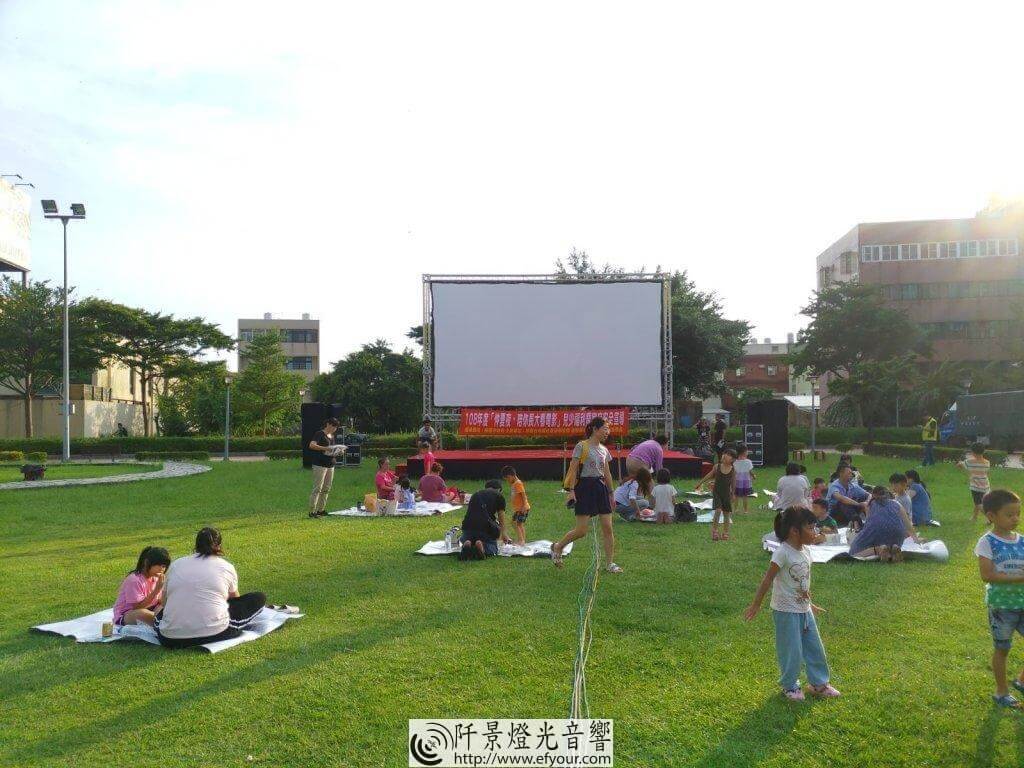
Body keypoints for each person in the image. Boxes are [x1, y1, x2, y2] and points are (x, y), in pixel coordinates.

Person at [744, 506, 840, 701]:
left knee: (814, 647)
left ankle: (819, 684)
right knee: (791, 650)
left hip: (804, 610)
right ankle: (790, 686)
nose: (815, 533)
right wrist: (756, 604)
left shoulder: (805, 551)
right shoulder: (782, 553)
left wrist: (810, 604)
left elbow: (801, 583)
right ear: (795, 531)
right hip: (786, 611)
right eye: (811, 528)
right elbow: (767, 579)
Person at [155, 527, 267, 649]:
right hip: (214, 633)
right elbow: (235, 600)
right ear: (218, 546)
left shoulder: (177, 564)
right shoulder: (226, 567)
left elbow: (165, 603)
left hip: (170, 638)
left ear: (196, 545)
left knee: (159, 613)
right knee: (259, 597)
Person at [552, 417, 622, 574]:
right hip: (584, 488)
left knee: (608, 528)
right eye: (605, 428)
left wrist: (611, 494)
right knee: (581, 530)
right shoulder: (581, 446)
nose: (607, 432)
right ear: (595, 429)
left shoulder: (604, 450)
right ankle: (558, 547)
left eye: (608, 429)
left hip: (601, 488)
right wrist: (571, 491)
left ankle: (610, 563)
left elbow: (607, 474)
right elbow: (573, 468)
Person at [974, 490, 1024, 708]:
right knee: (1003, 648)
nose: (1015, 519)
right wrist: (1019, 578)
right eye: (1009, 515)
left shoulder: (1022, 540)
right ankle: (1001, 692)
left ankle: (1020, 680)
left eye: (1018, 514)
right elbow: (986, 575)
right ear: (992, 516)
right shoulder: (987, 542)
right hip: (1002, 606)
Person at [849, 484, 921, 562]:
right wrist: (916, 540)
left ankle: (878, 550)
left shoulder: (870, 505)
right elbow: (908, 525)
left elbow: (869, 523)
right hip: (897, 535)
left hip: (876, 532)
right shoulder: (897, 504)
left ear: (874, 495)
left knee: (853, 552)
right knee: (890, 540)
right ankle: (893, 548)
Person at [112, 546, 171, 627]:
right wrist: (157, 590)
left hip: (151, 609)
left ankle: (162, 621)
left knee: (167, 609)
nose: (162, 569)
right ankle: (162, 623)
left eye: (164, 566)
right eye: (159, 565)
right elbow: (138, 607)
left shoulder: (156, 578)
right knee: (142, 614)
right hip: (128, 613)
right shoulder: (134, 580)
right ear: (147, 563)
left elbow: (160, 601)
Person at [458, 479, 511, 560]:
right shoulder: (499, 496)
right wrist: (504, 534)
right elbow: (501, 517)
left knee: (468, 538)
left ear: (486, 488)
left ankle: (468, 543)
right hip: (485, 529)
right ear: (499, 490)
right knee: (492, 547)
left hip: (467, 527)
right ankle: (482, 546)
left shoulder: (476, 494)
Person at [696, 447, 737, 541]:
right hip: (717, 492)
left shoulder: (733, 470)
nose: (725, 455)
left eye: (728, 455)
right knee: (718, 511)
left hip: (726, 493)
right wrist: (700, 482)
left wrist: (733, 494)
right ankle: (715, 531)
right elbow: (709, 475)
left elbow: (734, 482)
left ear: (733, 459)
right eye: (725, 453)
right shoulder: (717, 466)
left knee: (726, 514)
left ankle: (725, 532)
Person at [308, 417, 343, 518]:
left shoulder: (331, 436)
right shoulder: (319, 434)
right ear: (328, 424)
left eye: (335, 427)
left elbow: (332, 449)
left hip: (330, 464)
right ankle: (312, 511)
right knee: (317, 488)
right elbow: (312, 445)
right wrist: (325, 448)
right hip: (320, 464)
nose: (334, 429)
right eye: (333, 426)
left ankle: (321, 510)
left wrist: (338, 451)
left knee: (326, 488)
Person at [958, 443, 992, 521]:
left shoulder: (969, 461)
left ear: (972, 452)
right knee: (978, 502)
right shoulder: (987, 462)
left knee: (978, 503)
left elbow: (961, 465)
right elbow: (986, 472)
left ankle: (990, 517)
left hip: (976, 487)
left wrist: (960, 463)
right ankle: (974, 517)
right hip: (986, 486)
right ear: (984, 451)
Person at [501, 465, 531, 546]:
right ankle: (522, 540)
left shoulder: (518, 483)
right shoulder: (515, 483)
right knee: (517, 523)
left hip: (522, 508)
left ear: (511, 476)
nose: (507, 481)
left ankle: (521, 541)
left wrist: (524, 505)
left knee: (516, 523)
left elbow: (523, 494)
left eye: (507, 479)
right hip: (518, 509)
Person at [733, 444, 756, 514]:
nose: (747, 452)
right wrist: (754, 476)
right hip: (746, 482)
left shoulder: (734, 462)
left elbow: (734, 472)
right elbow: (750, 471)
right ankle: (745, 510)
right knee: (745, 496)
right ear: (744, 452)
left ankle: (735, 510)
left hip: (737, 481)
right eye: (747, 451)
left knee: (736, 496)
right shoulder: (748, 462)